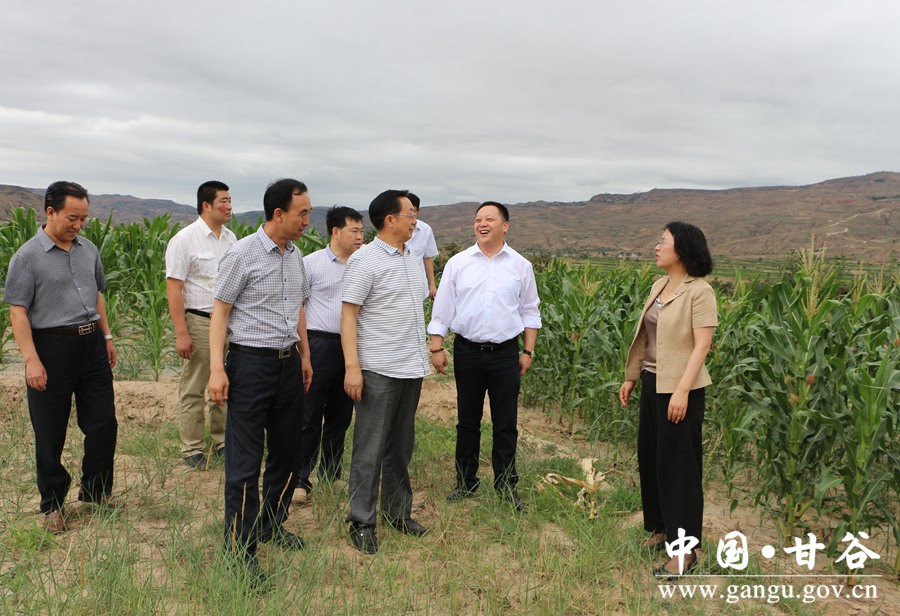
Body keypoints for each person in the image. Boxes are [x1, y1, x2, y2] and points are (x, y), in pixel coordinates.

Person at [208, 178, 314, 583]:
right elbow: (220, 313)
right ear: (279, 214)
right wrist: (218, 369)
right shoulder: (243, 254)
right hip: (250, 366)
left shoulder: (296, 255)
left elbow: (299, 307)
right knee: (245, 462)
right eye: (302, 213)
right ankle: (239, 548)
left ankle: (271, 523)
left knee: (288, 453)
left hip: (288, 366)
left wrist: (304, 355)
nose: (307, 219)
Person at [3, 181, 121, 533]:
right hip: (50, 349)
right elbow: (18, 312)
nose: (78, 225)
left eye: (83, 218)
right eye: (72, 217)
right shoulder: (26, 257)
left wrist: (108, 336)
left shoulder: (89, 250)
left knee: (103, 424)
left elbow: (96, 294)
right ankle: (52, 504)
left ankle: (97, 490)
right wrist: (31, 360)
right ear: (50, 212)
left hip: (91, 347)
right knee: (50, 432)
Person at [618, 221, 717, 579]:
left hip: (681, 390)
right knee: (652, 458)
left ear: (683, 249)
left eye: (663, 241)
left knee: (679, 469)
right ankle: (661, 529)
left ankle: (685, 552)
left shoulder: (700, 292)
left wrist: (681, 390)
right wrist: (632, 377)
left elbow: (702, 345)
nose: (656, 247)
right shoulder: (660, 285)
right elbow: (646, 337)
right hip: (651, 382)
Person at [428, 201, 541, 512]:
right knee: (468, 421)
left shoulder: (520, 266)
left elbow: (530, 311)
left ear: (505, 225)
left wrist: (527, 351)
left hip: (506, 353)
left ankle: (506, 486)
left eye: (489, 219)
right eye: (478, 219)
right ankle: (465, 482)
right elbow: (444, 308)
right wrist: (437, 347)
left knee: (506, 422)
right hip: (468, 351)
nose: (482, 223)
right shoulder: (459, 263)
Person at [341, 189, 431, 554]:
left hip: (411, 366)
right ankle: (361, 520)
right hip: (378, 367)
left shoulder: (412, 257)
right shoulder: (365, 261)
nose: (416, 219)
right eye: (410, 213)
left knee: (400, 446)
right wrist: (352, 368)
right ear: (390, 219)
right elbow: (348, 316)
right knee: (370, 448)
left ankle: (398, 512)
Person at [294, 206, 365, 503]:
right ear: (335, 232)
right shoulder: (310, 264)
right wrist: (303, 352)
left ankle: (331, 474)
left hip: (352, 348)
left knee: (340, 416)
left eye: (362, 231)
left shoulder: (365, 265)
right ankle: (300, 478)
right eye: (355, 231)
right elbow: (298, 306)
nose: (361, 236)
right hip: (318, 344)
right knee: (309, 414)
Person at [165, 180, 236, 469]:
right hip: (199, 321)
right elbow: (173, 289)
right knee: (195, 387)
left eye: (230, 200)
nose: (229, 206)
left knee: (224, 384)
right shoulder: (185, 239)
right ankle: (192, 448)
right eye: (223, 201)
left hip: (230, 324)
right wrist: (182, 333)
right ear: (206, 205)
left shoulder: (231, 239)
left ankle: (221, 442)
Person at [406, 193, 439, 298]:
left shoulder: (426, 230)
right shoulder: (393, 231)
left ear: (418, 211)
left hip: (419, 290)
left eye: (413, 212)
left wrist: (432, 285)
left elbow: (427, 257)